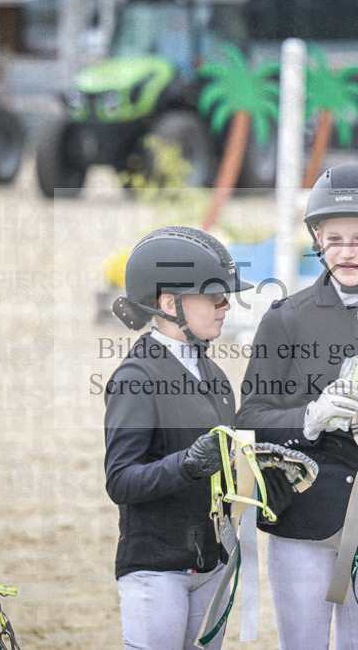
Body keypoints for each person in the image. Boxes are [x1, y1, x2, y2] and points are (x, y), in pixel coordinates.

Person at [237, 163, 358, 649]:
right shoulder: (284, 319)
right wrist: (309, 419)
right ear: (317, 240)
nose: (347, 252)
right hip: (302, 515)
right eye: (335, 239)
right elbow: (249, 418)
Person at [103, 225, 252, 650]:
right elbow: (120, 481)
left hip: (212, 562)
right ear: (170, 303)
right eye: (214, 296)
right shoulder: (136, 377)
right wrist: (186, 465)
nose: (225, 306)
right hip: (157, 568)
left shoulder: (214, 375)